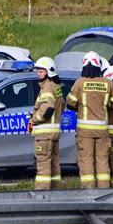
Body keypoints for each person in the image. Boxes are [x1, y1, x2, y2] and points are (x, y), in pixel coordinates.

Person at [66, 51, 113, 188]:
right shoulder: (107, 83)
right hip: (102, 130)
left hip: (85, 132)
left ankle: (88, 192)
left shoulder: (80, 83)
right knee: (102, 161)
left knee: (86, 161)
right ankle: (104, 190)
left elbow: (70, 103)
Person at [28, 57, 65, 190]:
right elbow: (62, 107)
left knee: (43, 167)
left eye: (41, 71)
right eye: (38, 71)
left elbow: (48, 109)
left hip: (44, 135)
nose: (38, 74)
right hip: (53, 134)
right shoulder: (56, 87)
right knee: (54, 166)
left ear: (49, 71)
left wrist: (34, 120)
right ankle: (55, 194)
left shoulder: (47, 87)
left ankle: (41, 197)